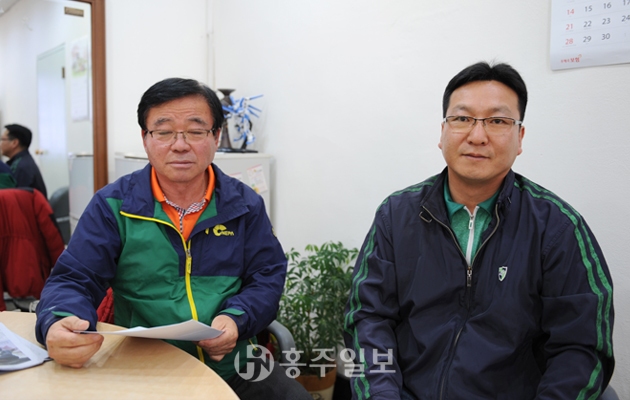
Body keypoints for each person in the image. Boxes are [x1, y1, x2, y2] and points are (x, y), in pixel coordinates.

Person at [344, 62, 614, 399]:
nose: (477, 136)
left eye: (497, 121)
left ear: (520, 137)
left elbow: (581, 347)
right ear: (442, 132)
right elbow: (368, 318)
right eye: (462, 118)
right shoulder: (396, 215)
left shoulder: (558, 228)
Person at [35, 78, 311, 399]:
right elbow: (73, 279)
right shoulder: (113, 205)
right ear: (145, 138)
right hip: (147, 367)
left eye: (195, 131)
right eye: (164, 132)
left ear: (216, 137)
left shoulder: (244, 204)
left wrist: (236, 318)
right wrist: (59, 321)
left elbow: (267, 276)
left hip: (233, 365)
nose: (180, 145)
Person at [1, 124, 48, 198]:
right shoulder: (23, 161)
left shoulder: (22, 167)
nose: (0, 144)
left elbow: (16, 199)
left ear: (14, 143)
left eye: (2, 139)